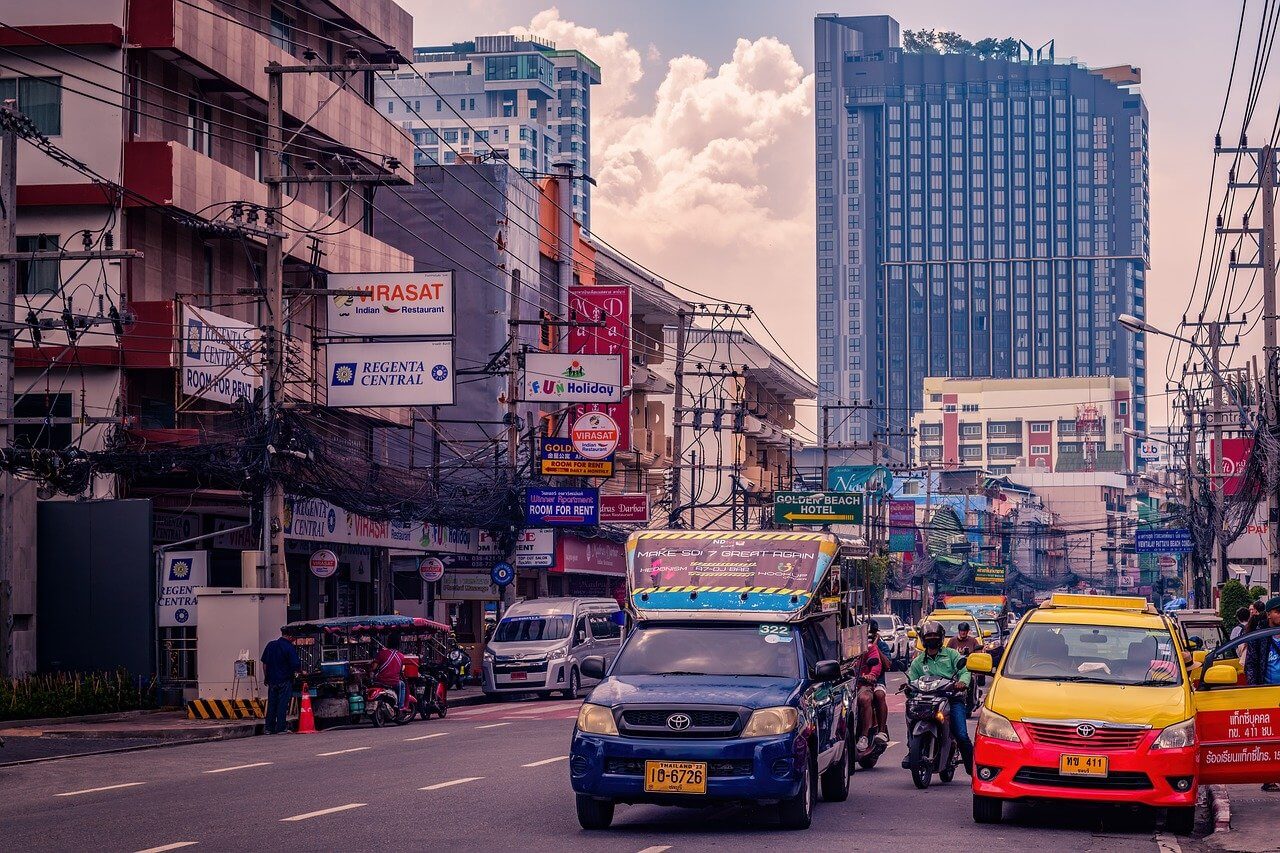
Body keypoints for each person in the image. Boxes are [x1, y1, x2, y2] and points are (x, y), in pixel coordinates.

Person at [907, 621, 974, 775]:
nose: (931, 638)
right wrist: (908, 687)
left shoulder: (952, 655)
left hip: (952, 698)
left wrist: (962, 682)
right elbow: (911, 679)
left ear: (941, 637)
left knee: (961, 735)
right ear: (923, 639)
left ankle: (973, 770)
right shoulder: (918, 662)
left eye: (934, 635)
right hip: (927, 700)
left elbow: (965, 671)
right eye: (928, 636)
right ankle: (912, 750)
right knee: (911, 718)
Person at [855, 623, 890, 750]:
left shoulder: (878, 647)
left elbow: (885, 665)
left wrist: (871, 675)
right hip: (855, 683)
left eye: (872, 634)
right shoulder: (852, 647)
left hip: (875, 682)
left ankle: (880, 732)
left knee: (877, 695)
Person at [261, 628, 301, 735]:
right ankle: (281, 728)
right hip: (285, 680)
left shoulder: (270, 645)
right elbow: (296, 665)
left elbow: (264, 664)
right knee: (282, 704)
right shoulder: (289, 647)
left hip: (272, 681)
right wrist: (302, 672)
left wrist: (266, 677)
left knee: (272, 704)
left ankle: (269, 728)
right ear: (290, 636)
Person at [372, 633, 406, 709]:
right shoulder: (401, 656)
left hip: (380, 681)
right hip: (394, 682)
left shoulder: (381, 653)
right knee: (402, 685)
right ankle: (400, 707)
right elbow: (401, 669)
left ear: (388, 642)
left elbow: (374, 668)